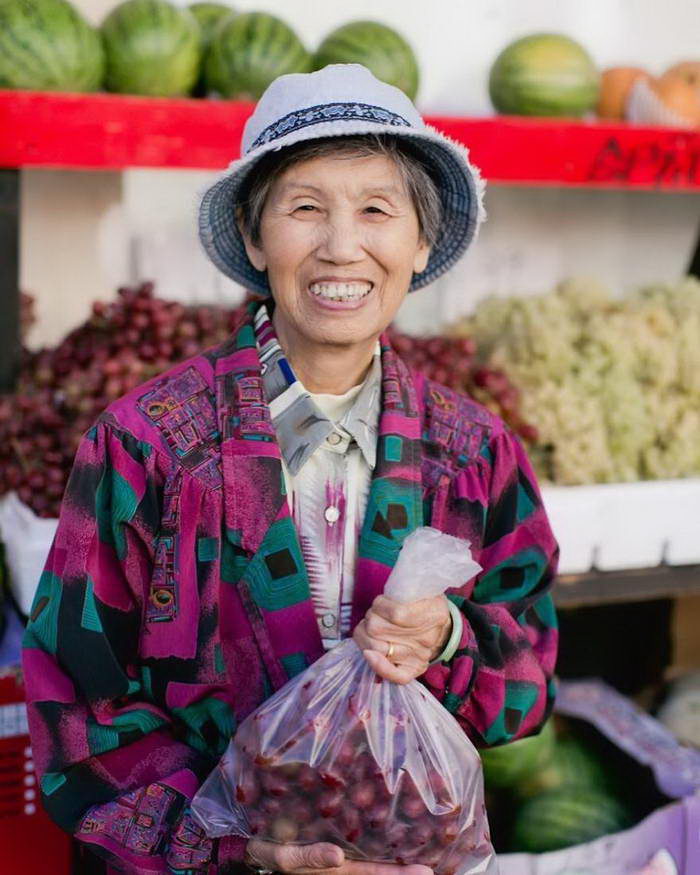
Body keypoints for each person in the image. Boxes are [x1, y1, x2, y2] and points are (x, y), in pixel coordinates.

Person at [21, 63, 559, 874]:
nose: (342, 246)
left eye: (377, 209)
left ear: (419, 242)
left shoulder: (475, 452)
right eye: (305, 208)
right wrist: (240, 850)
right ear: (251, 233)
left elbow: (532, 667)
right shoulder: (143, 447)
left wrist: (448, 634)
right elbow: (77, 711)